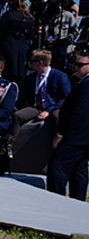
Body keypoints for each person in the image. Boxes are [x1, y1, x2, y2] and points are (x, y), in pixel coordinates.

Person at [46, 51, 89, 200]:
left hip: (76, 135)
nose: (76, 68)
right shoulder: (82, 83)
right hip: (83, 136)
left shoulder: (86, 85)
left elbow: (79, 111)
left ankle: (56, 200)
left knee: (57, 166)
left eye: (80, 65)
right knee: (79, 168)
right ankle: (78, 201)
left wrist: (62, 133)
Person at [14, 50, 73, 132]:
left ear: (40, 62)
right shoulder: (31, 77)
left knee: (58, 116)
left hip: (53, 107)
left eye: (32, 61)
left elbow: (66, 97)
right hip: (35, 107)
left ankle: (60, 140)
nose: (30, 63)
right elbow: (23, 95)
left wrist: (49, 110)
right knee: (18, 115)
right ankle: (11, 142)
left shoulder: (60, 76)